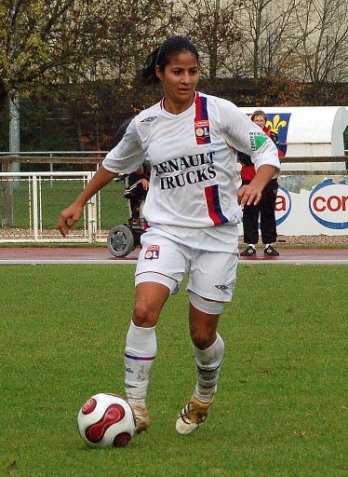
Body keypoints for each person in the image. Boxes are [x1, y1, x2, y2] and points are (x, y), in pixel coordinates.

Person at [58, 36, 280, 436]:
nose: (186, 79)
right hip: (167, 232)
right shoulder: (145, 124)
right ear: (160, 73)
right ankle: (136, 407)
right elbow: (113, 165)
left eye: (193, 71)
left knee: (201, 334)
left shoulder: (219, 112)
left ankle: (203, 394)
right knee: (144, 310)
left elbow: (266, 151)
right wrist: (78, 203)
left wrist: (258, 183)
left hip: (217, 236)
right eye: (178, 71)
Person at [238, 110, 281, 257]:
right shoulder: (245, 137)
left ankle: (269, 244)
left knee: (268, 211)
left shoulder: (271, 136)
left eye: (261, 120)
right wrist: (260, 157)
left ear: (265, 122)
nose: (259, 123)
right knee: (250, 212)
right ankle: (251, 245)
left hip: (269, 180)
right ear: (252, 121)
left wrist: (256, 156)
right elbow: (243, 157)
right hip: (249, 180)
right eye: (256, 120)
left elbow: (274, 156)